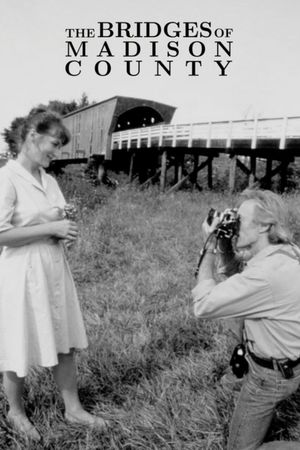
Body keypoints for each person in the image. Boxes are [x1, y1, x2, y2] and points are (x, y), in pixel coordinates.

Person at [0, 108, 108, 441]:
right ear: (32, 136)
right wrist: (51, 226)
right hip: (22, 272)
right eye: (54, 144)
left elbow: (56, 224)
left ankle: (73, 408)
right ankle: (15, 411)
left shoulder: (49, 180)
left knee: (63, 337)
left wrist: (66, 231)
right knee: (19, 340)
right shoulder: (7, 177)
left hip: (53, 267)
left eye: (60, 146)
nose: (56, 152)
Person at [192, 189, 300, 450]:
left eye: (239, 220)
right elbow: (235, 278)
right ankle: (237, 377)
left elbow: (204, 306)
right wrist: (223, 244)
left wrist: (207, 248)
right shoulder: (286, 252)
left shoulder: (267, 274)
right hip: (287, 360)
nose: (233, 225)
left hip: (270, 376)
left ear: (265, 225)